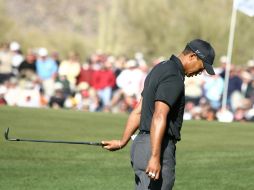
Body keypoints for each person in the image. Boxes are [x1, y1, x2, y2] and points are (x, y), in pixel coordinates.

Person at [102, 39, 216, 190]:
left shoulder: (160, 68)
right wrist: (155, 157)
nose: (200, 72)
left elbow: (139, 110)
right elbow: (159, 115)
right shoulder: (174, 76)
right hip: (157, 147)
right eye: (202, 67)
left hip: (141, 146)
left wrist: (122, 141)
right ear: (192, 57)